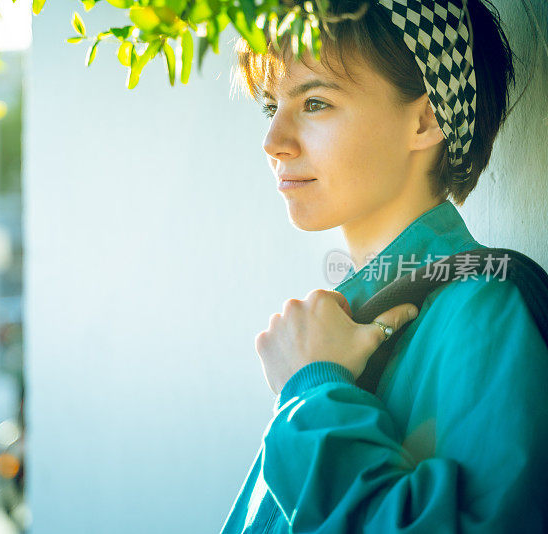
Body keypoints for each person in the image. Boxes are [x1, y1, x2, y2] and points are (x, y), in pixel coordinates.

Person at [221, 0, 548, 532]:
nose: (273, 142)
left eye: (316, 103)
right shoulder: (338, 325)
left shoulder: (483, 313)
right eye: (270, 106)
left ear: (426, 119)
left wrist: (312, 392)